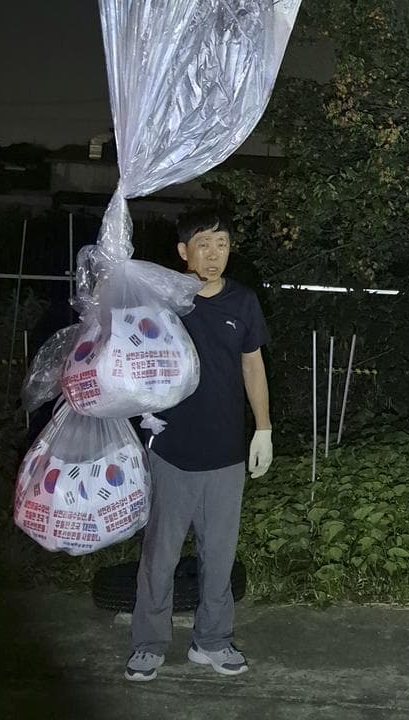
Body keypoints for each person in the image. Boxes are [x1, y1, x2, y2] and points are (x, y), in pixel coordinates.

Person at [124, 209, 274, 682]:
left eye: (223, 244)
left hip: (226, 451)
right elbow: (129, 354)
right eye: (203, 244)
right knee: (160, 556)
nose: (214, 255)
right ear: (183, 252)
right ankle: (148, 645)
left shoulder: (243, 302)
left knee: (220, 555)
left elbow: (253, 367)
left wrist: (263, 429)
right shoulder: (162, 302)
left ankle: (212, 641)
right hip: (169, 448)